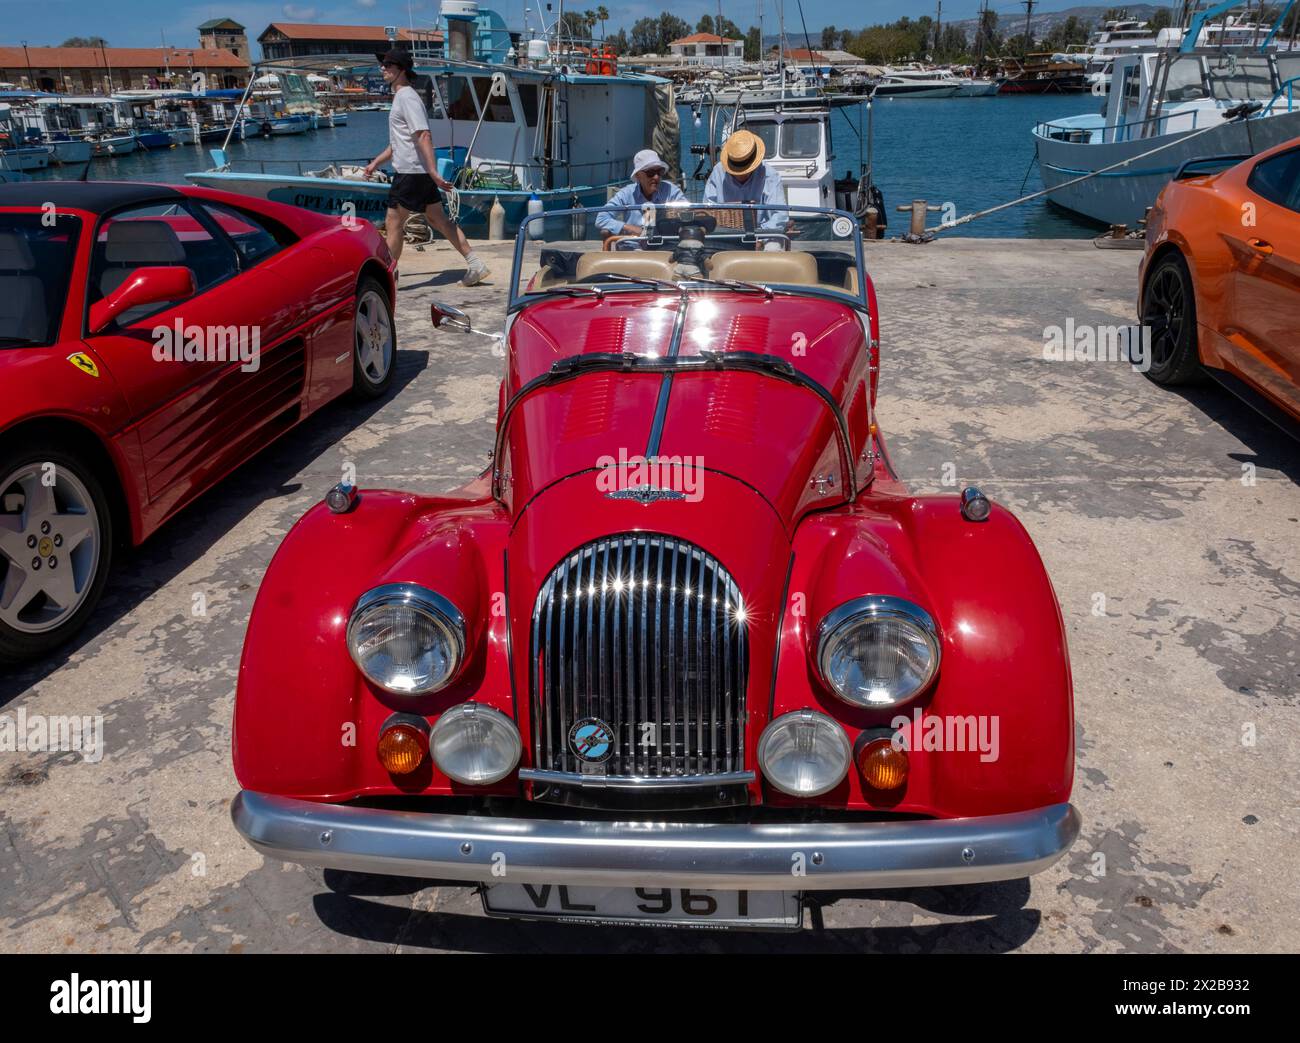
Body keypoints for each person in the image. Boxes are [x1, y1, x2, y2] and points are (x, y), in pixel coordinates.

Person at [363, 49, 489, 286]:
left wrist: (433, 172)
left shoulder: (407, 98)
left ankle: (387, 276)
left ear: (401, 69)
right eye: (383, 64)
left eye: (388, 65)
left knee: (393, 222)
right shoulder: (402, 97)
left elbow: (423, 135)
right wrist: (376, 163)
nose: (383, 69)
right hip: (415, 171)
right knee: (438, 219)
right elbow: (400, 142)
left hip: (411, 172)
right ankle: (475, 264)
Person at [703, 129, 788, 232]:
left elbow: (779, 215)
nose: (740, 175)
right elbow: (708, 210)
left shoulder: (770, 175)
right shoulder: (718, 172)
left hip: (764, 233)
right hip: (725, 234)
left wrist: (761, 236)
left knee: (774, 247)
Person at [595, 149, 687, 239]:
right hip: (632, 248)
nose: (656, 177)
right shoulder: (626, 193)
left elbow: (688, 212)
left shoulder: (671, 190)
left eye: (659, 172)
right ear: (638, 175)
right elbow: (601, 219)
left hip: (663, 246)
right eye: (650, 173)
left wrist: (676, 213)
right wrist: (631, 229)